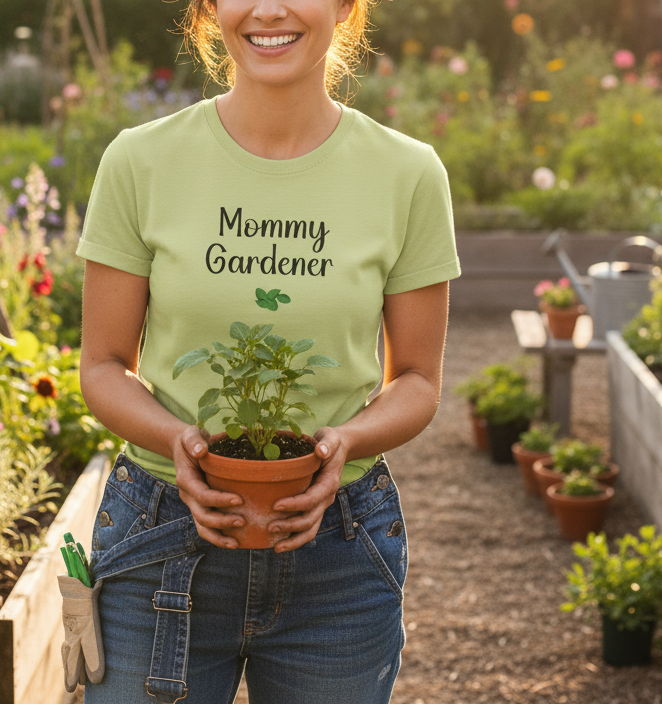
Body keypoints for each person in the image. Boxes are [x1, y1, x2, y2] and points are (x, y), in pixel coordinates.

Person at [76, 0, 461, 701]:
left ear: (346, 6)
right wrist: (177, 440)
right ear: (210, 9)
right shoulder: (140, 160)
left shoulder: (406, 173)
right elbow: (102, 366)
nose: (268, 10)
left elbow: (415, 381)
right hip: (161, 531)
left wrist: (343, 440)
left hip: (340, 549)